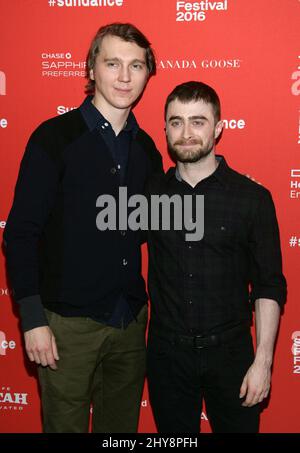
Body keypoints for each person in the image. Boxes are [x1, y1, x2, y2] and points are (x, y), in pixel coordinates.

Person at [3, 23, 162, 433]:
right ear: (92, 69)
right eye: (113, 63)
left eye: (136, 65)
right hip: (66, 326)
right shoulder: (54, 138)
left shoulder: (147, 149)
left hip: (129, 321)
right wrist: (33, 319)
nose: (125, 77)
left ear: (148, 73)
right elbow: (20, 233)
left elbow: (149, 226)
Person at [146, 81, 287, 433]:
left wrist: (263, 362)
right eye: (176, 122)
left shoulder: (252, 199)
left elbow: (269, 285)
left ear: (219, 128)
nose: (187, 133)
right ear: (165, 129)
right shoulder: (149, 197)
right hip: (168, 356)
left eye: (198, 121)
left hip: (232, 355)